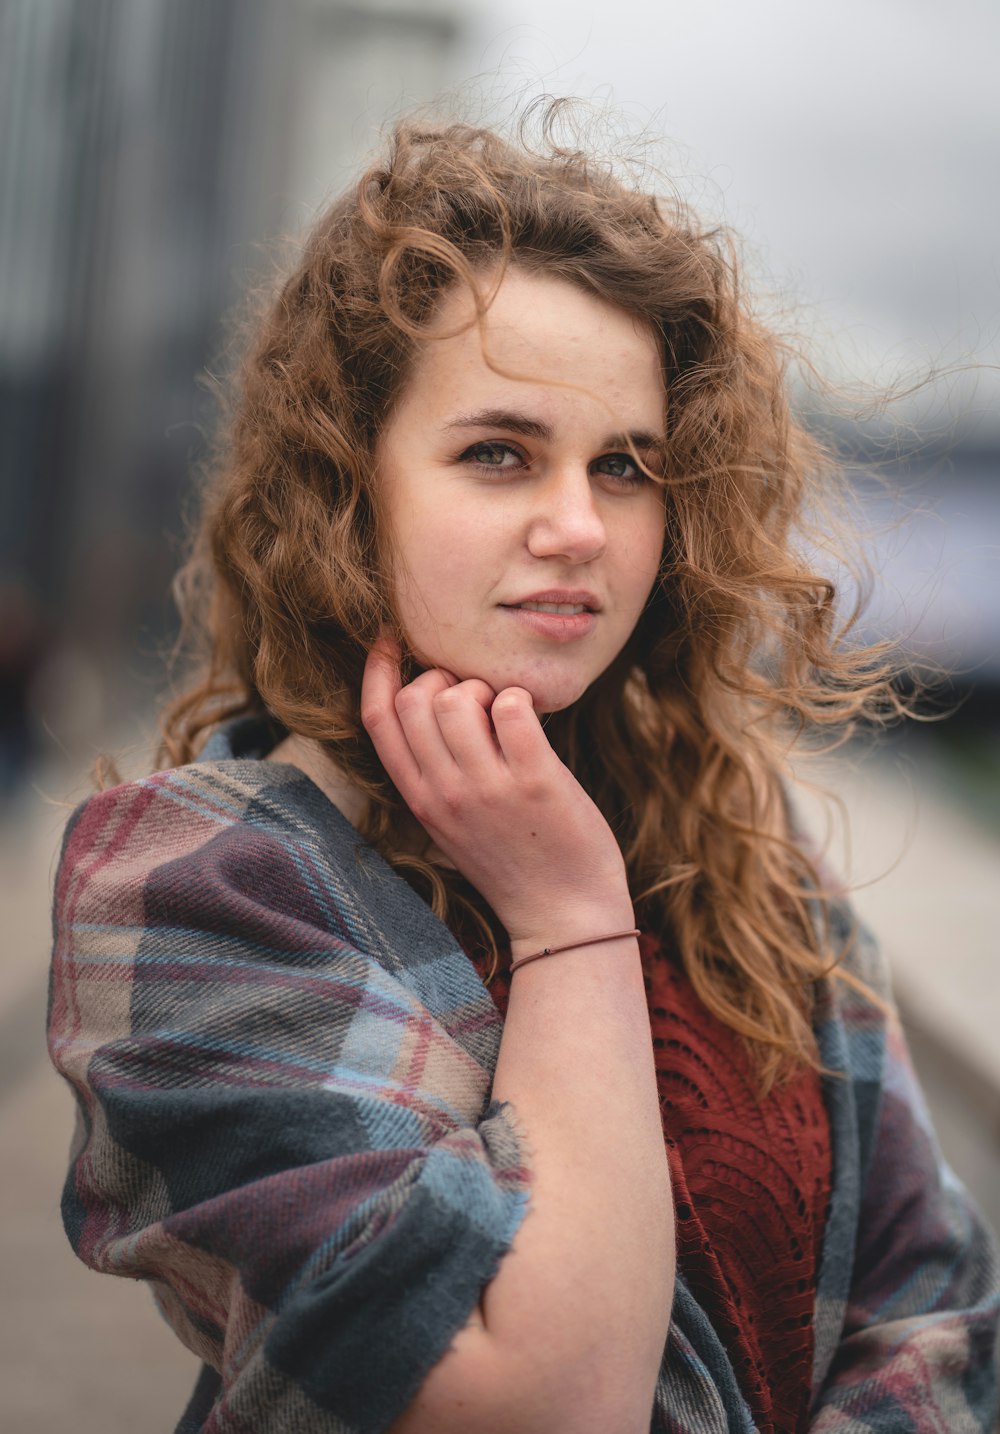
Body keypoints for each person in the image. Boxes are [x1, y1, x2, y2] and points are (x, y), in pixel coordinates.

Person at [47, 108, 1000, 1434]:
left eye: (627, 466)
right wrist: (566, 919)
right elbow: (544, 1401)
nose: (576, 527)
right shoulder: (206, 889)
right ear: (349, 486)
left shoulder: (731, 835)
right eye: (500, 452)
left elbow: (935, 1299)